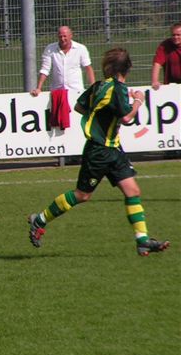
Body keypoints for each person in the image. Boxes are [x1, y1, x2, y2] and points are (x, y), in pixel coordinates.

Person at [27, 48, 170, 257]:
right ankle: (39, 219)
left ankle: (142, 241)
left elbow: (78, 107)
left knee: (133, 191)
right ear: (127, 68)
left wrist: (100, 115)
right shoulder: (119, 89)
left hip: (114, 149)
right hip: (99, 151)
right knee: (82, 195)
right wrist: (139, 100)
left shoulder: (98, 86)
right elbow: (127, 118)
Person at [31, 26, 95, 97]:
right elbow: (45, 69)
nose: (62, 39)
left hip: (76, 91)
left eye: (65, 36)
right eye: (60, 36)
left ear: (71, 36)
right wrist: (38, 88)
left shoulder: (81, 48)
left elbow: (88, 68)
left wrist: (93, 87)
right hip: (57, 92)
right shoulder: (50, 49)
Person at [151, 22, 181, 89]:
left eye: (178, 35)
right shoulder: (165, 45)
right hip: (171, 84)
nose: (175, 37)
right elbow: (157, 63)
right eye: (173, 35)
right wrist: (155, 81)